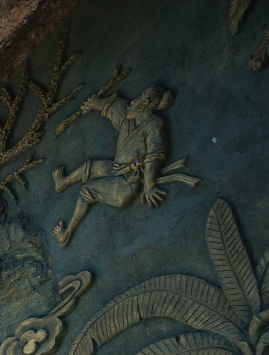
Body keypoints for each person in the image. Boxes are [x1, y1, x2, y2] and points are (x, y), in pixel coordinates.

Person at [51, 84, 195, 247]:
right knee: (90, 167)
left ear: (144, 104)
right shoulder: (130, 121)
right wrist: (95, 103)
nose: (134, 100)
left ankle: (66, 234)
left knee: (86, 191)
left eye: (139, 97)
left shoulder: (154, 125)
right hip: (117, 168)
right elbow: (117, 108)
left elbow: (153, 157)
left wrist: (149, 184)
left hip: (126, 183)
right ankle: (63, 183)